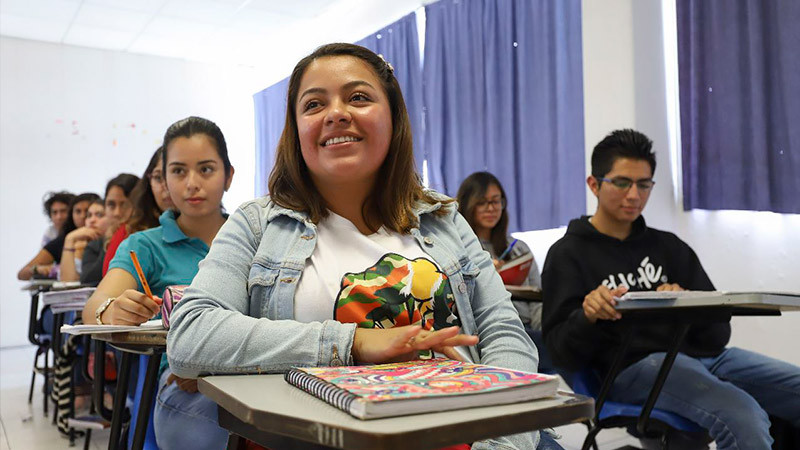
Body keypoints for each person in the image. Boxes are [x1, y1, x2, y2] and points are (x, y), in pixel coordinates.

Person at [162, 43, 556, 450]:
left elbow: (505, 334)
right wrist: (354, 343)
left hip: (464, 435)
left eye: (359, 97)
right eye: (314, 104)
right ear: (296, 131)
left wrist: (504, 444)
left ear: (393, 118)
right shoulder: (257, 223)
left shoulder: (444, 219)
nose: (336, 113)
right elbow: (191, 336)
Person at [541, 129, 800, 450]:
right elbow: (559, 352)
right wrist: (587, 316)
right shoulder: (568, 254)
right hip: (631, 368)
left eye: (644, 184)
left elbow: (718, 336)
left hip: (704, 359)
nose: (634, 195)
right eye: (621, 183)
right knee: (744, 415)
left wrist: (689, 305)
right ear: (594, 184)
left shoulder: (669, 248)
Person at [80, 116, 234, 449]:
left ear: (229, 176)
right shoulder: (144, 245)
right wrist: (111, 309)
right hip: (186, 382)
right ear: (163, 180)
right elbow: (93, 307)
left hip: (257, 373)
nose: (192, 183)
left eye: (206, 169)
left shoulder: (258, 237)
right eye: (178, 171)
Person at [456, 172, 552, 373]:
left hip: (527, 325)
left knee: (555, 342)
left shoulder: (519, 248)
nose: (491, 208)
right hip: (487, 329)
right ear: (468, 205)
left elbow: (538, 298)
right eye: (482, 202)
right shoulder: (460, 251)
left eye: (496, 201)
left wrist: (545, 331)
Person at [102, 149, 172, 275]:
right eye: (158, 177)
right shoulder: (131, 234)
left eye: (178, 173)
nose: (167, 185)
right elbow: (108, 291)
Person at [18, 192, 99, 280]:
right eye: (78, 211)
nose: (83, 216)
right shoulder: (62, 240)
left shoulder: (106, 238)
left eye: (88, 212)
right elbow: (22, 273)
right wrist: (36, 269)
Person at [59, 199, 108, 283]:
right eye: (89, 215)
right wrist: (69, 240)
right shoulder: (84, 244)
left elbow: (89, 279)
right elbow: (67, 283)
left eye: (99, 215)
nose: (92, 220)